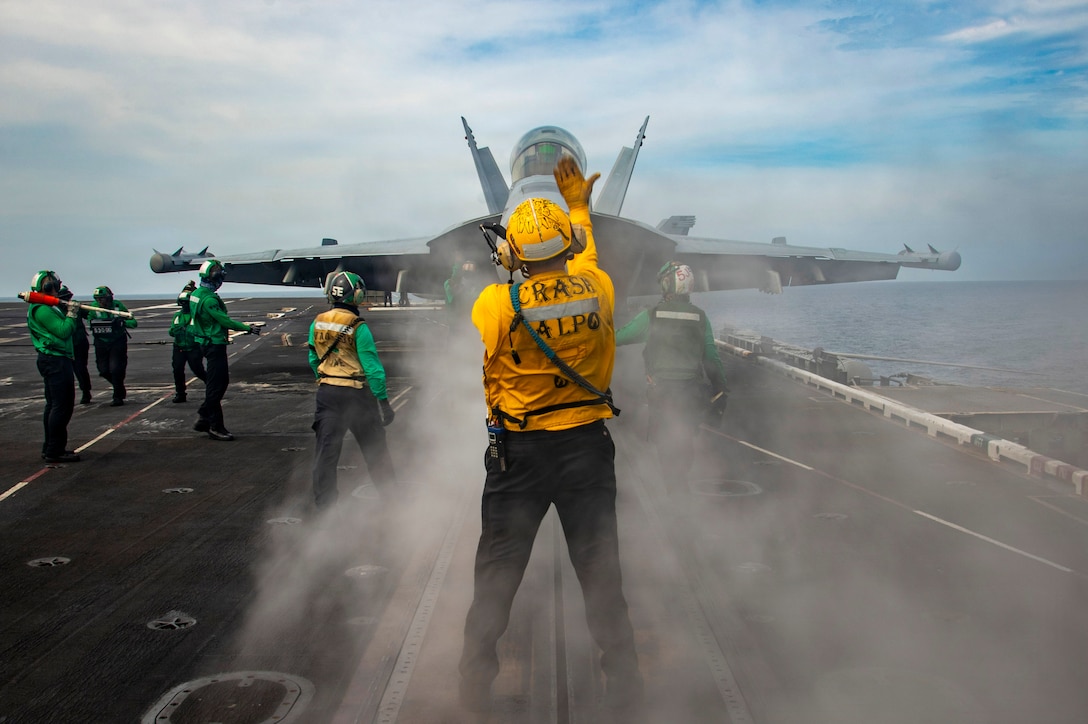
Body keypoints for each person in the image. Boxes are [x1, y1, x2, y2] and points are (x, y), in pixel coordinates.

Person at [459, 156, 642, 712]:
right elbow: (585, 260)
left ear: (512, 253)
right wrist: (580, 209)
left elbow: (504, 303)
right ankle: (627, 689)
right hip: (587, 448)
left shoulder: (494, 305)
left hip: (519, 457)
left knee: (496, 573)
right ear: (566, 245)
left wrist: (508, 265)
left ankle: (472, 691)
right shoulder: (600, 289)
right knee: (601, 570)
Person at [615, 261, 728, 483]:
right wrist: (721, 388)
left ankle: (672, 487)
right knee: (686, 438)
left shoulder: (652, 315)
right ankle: (681, 481)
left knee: (664, 440)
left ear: (666, 284)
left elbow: (617, 338)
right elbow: (712, 358)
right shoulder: (700, 317)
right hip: (691, 392)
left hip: (662, 392)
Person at [307, 271, 398, 510]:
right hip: (356, 396)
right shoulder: (358, 326)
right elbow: (373, 369)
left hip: (327, 394)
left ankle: (324, 507)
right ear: (355, 295)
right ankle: (392, 501)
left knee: (326, 454)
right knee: (375, 450)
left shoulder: (317, 321)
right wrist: (384, 403)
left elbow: (312, 358)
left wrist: (325, 378)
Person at [189, 259, 259, 441]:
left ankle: (205, 418)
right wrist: (248, 328)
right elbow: (224, 321)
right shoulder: (210, 299)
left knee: (217, 384)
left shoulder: (196, 294)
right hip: (214, 344)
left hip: (203, 342)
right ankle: (213, 424)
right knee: (217, 386)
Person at [26, 270, 81, 463]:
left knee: (54, 405)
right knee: (61, 406)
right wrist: (72, 314)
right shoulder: (42, 309)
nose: (55, 290)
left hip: (54, 359)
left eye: (55, 286)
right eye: (49, 287)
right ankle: (54, 451)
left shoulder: (45, 306)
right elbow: (63, 331)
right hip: (55, 360)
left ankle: (51, 447)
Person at [87, 285, 137, 406]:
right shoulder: (93, 308)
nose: (100, 301)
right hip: (101, 342)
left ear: (109, 298)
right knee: (103, 370)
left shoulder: (118, 306)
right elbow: (90, 321)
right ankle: (119, 386)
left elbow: (133, 322)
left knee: (115, 369)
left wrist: (122, 322)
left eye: (102, 299)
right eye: (98, 299)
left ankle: (117, 396)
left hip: (117, 341)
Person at [168, 281, 206, 403]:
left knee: (198, 370)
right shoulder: (177, 316)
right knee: (177, 370)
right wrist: (177, 330)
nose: (184, 305)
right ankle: (180, 393)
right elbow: (171, 331)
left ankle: (212, 387)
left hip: (193, 347)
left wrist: (187, 330)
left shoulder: (196, 316)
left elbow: (198, 330)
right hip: (179, 347)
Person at [58, 285, 92, 404]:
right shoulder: (54, 310)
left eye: (67, 298)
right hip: (64, 344)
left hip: (79, 342)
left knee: (80, 368)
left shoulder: (76, 307)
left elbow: (90, 315)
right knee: (65, 371)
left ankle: (86, 391)